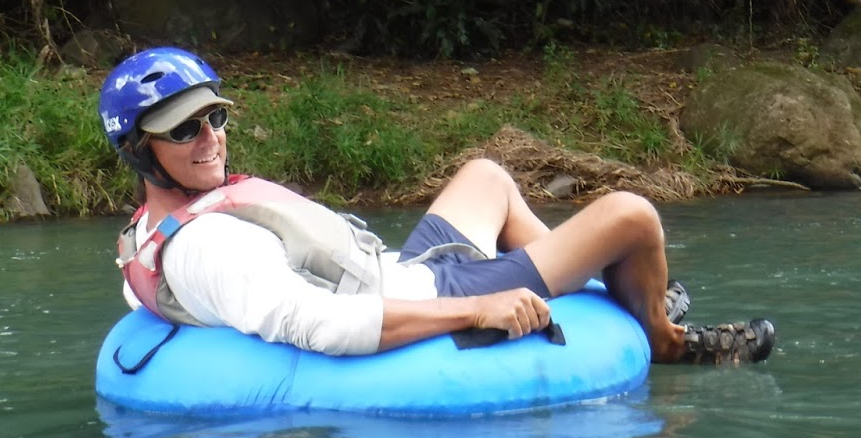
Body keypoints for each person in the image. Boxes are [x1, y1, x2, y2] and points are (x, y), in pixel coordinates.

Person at [100, 47, 775, 365]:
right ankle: (664, 339)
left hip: (400, 267)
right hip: (435, 290)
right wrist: (478, 307)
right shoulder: (211, 247)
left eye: (214, 118)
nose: (211, 139)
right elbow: (319, 325)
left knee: (485, 175)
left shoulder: (150, 232)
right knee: (631, 214)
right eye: (184, 130)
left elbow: (155, 300)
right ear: (138, 150)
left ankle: (603, 287)